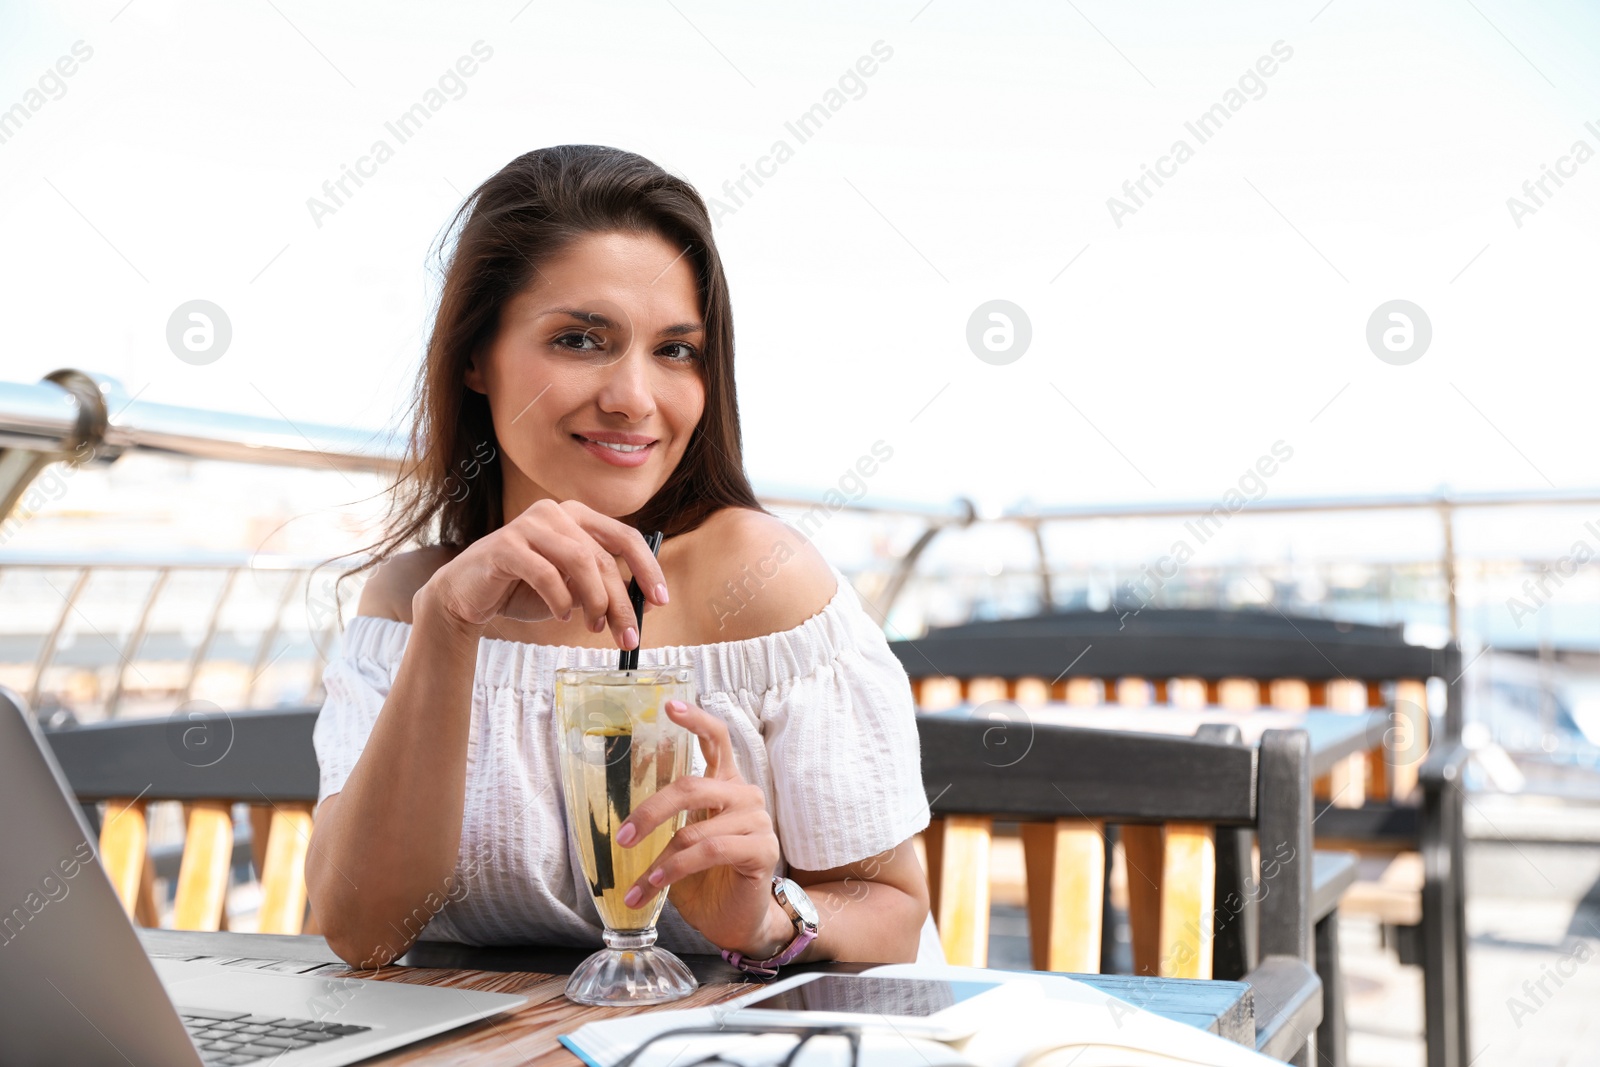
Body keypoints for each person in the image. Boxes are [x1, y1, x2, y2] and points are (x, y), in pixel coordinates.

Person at [305, 145, 942, 974]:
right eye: (580, 339)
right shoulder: (413, 603)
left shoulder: (764, 585)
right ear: (474, 355)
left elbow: (894, 909)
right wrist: (449, 626)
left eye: (675, 350)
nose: (635, 398)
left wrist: (765, 918)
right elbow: (363, 931)